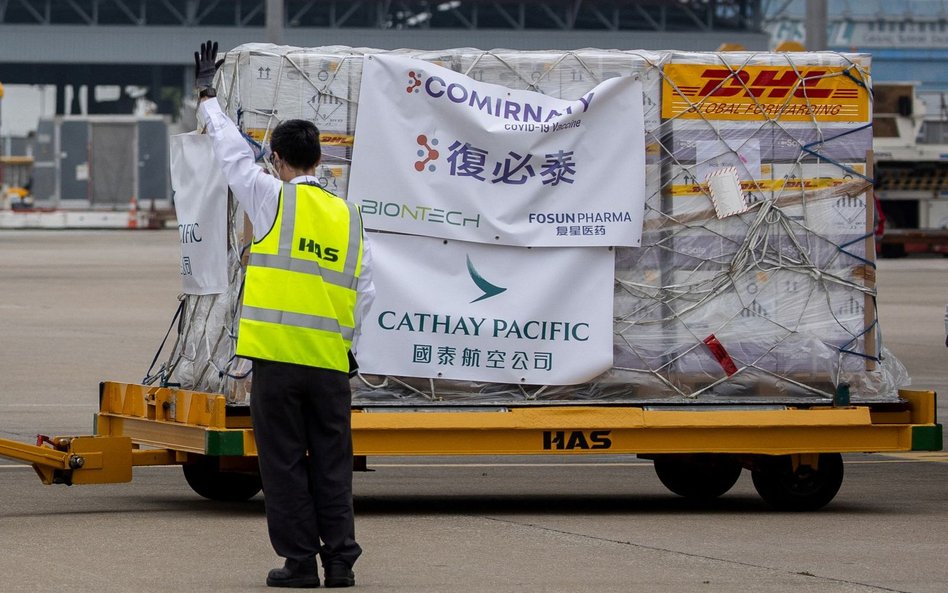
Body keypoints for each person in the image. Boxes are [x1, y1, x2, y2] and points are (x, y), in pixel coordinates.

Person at [194, 41, 372, 589]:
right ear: (319, 158)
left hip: (276, 362)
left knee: (285, 466)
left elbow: (228, 151)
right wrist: (348, 350)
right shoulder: (348, 216)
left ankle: (300, 564)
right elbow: (365, 291)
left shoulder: (270, 196)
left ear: (276, 158)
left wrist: (207, 97)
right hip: (329, 365)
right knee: (333, 464)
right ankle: (340, 560)